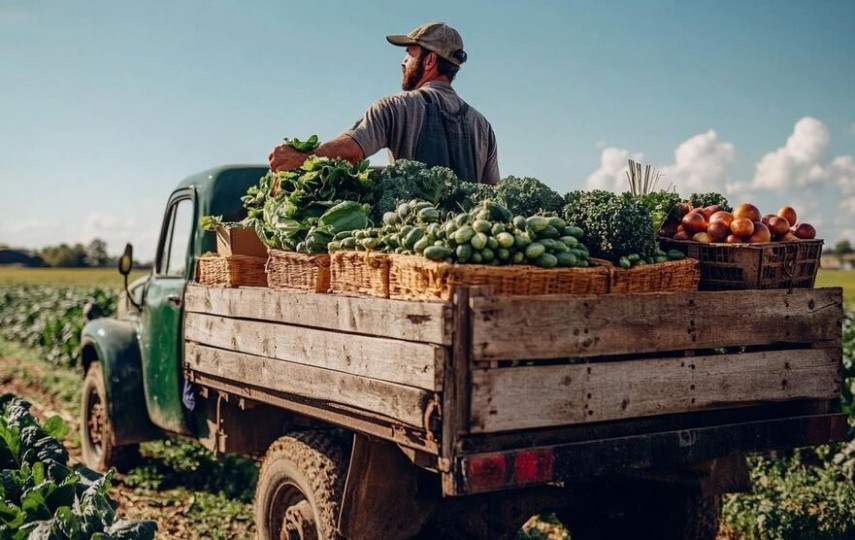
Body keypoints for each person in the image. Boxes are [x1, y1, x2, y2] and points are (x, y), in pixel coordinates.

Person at [268, 21, 499, 185]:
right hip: (467, 249)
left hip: (416, 247)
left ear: (429, 61)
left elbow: (350, 152)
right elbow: (493, 195)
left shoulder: (395, 107)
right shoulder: (483, 126)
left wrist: (303, 158)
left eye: (410, 53)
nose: (403, 61)